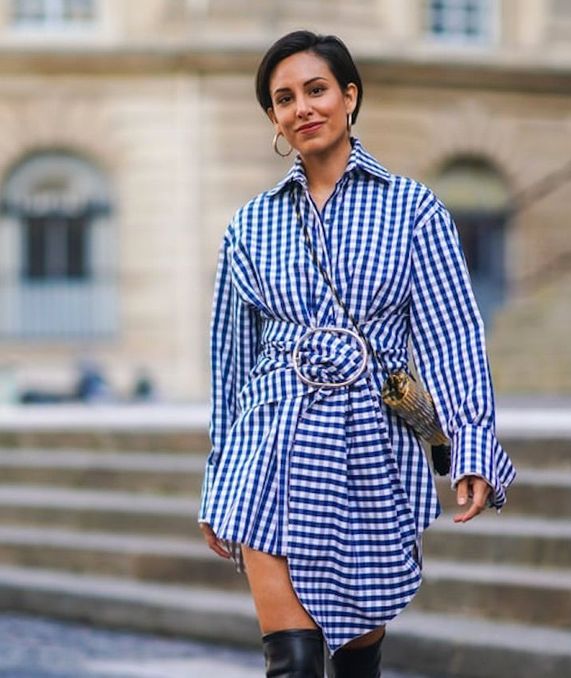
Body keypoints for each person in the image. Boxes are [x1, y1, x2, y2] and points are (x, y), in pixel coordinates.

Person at [198, 30, 516, 677]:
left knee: (356, 658)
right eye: (283, 98)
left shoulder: (414, 210)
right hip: (268, 446)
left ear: (349, 96)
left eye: (316, 90)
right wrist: (217, 475)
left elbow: (450, 335)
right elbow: (230, 361)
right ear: (273, 118)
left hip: (369, 449)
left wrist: (472, 446)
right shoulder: (249, 225)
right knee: (292, 663)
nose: (302, 107)